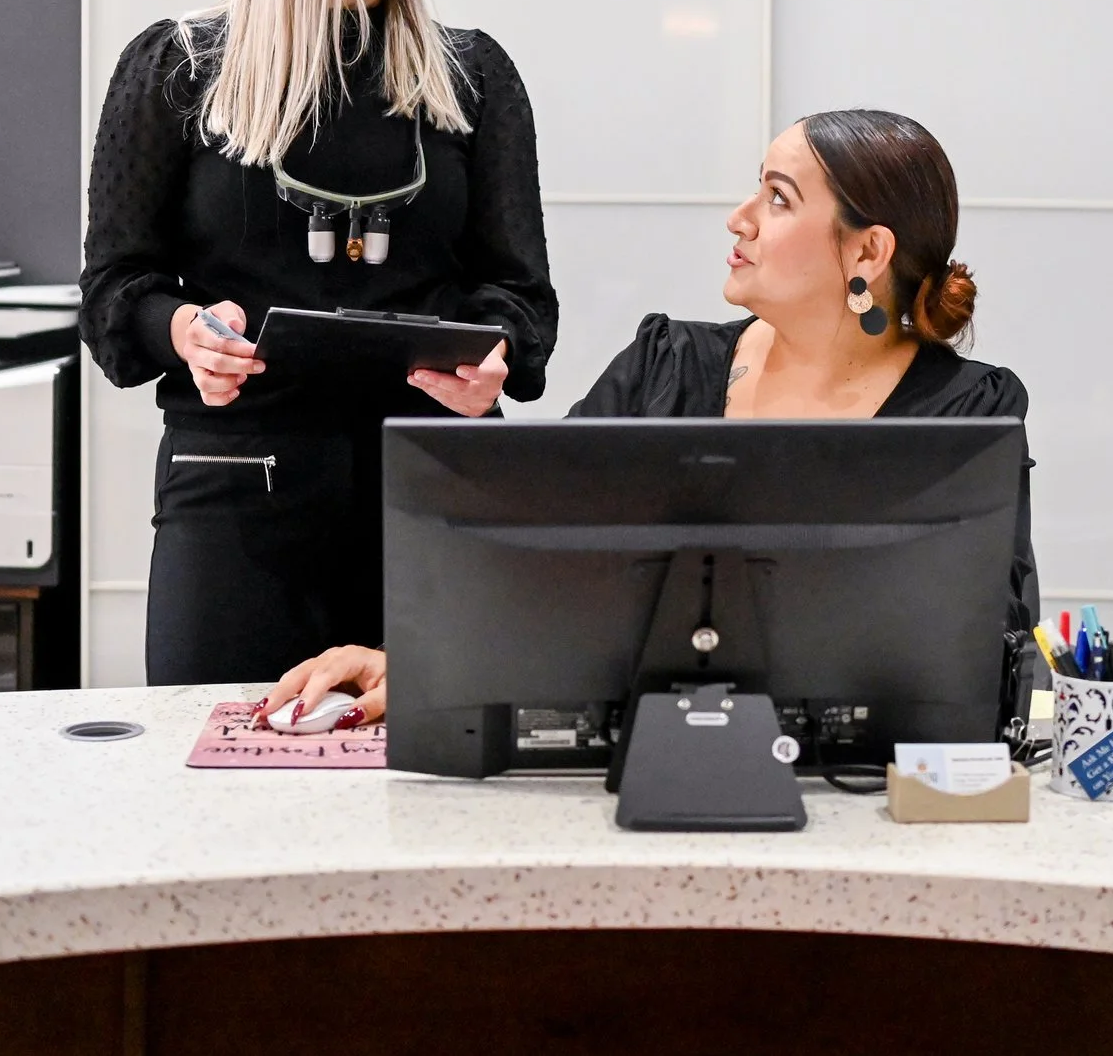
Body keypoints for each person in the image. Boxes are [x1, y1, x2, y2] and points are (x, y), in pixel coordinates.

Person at [258, 108, 1036, 728]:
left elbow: (989, 639)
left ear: (868, 251)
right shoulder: (665, 365)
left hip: (865, 796)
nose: (740, 218)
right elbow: (529, 545)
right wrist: (410, 658)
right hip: (626, 766)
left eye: (778, 197)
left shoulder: (968, 412)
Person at [81, 0, 556, 688]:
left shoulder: (474, 80)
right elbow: (113, 295)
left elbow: (525, 300)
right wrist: (183, 331)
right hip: (235, 501)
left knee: (430, 788)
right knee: (221, 790)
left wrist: (494, 354)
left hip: (433, 495)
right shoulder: (178, 69)